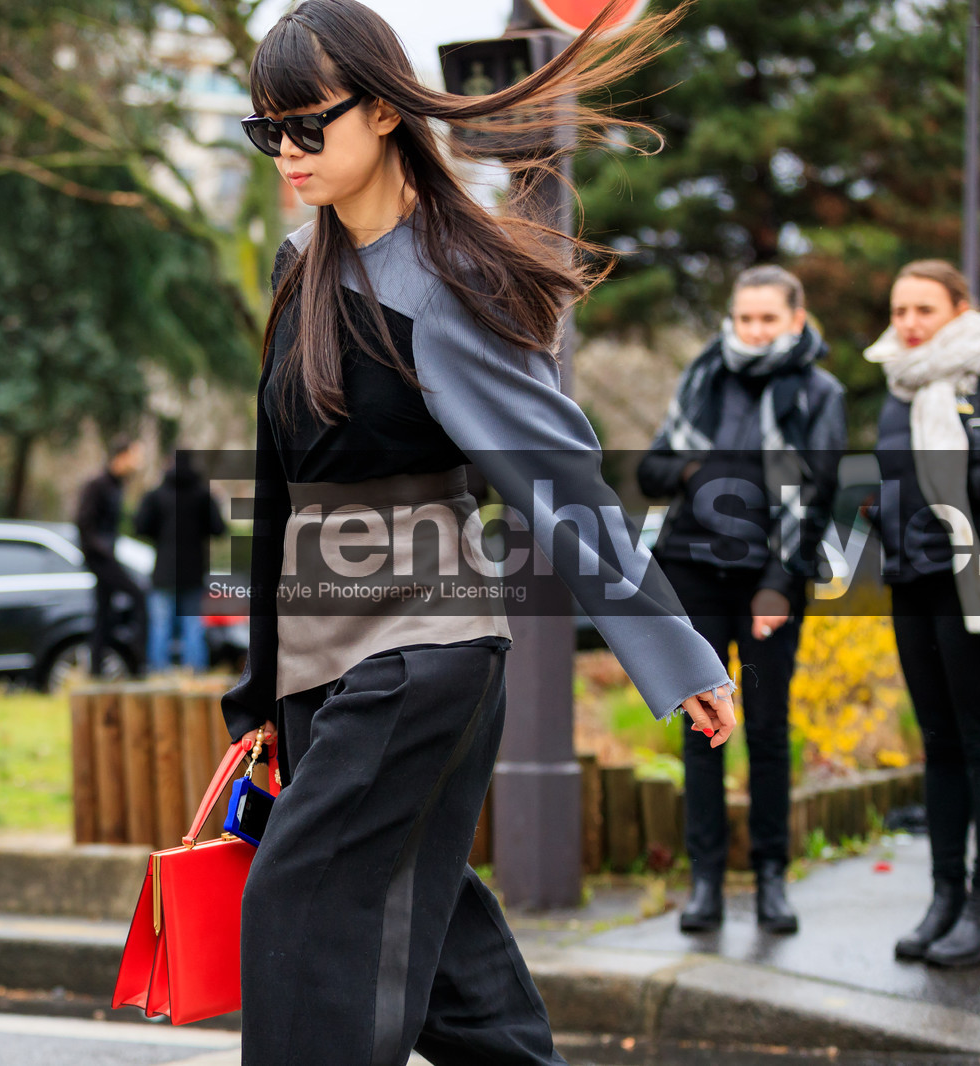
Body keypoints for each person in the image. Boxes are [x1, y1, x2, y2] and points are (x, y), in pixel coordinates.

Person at [221, 3, 737, 1063]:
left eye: (308, 125)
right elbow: (276, 483)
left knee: (299, 908)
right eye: (266, 130)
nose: (286, 152)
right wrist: (259, 689)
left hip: (423, 652)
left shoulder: (452, 280)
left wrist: (672, 646)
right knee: (438, 947)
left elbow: (560, 481)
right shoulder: (299, 260)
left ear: (384, 110)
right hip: (320, 662)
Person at [638, 266, 846, 935]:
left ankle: (771, 877)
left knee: (768, 729)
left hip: (768, 576)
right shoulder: (704, 377)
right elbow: (651, 469)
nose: (753, 331)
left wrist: (780, 585)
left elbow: (816, 494)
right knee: (702, 724)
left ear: (796, 319)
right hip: (691, 569)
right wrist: (697, 468)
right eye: (744, 318)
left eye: (767, 319)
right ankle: (705, 882)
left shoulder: (819, 393)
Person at [865, 260, 980, 968]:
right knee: (939, 744)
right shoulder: (900, 386)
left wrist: (957, 486)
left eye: (924, 308)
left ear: (960, 308)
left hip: (970, 583)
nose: (909, 323)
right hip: (911, 580)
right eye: (900, 310)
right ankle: (944, 899)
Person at [133, 449, 227, 673]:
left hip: (164, 572)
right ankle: (195, 672)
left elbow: (140, 526)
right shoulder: (202, 495)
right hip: (193, 572)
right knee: (193, 626)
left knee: (160, 625)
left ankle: (159, 673)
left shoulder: (157, 494)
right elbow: (219, 528)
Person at [74, 434, 147, 677]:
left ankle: (96, 668)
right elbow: (84, 523)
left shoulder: (117, 485)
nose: (138, 461)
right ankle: (138, 663)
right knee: (138, 595)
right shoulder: (98, 484)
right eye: (135, 455)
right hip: (100, 558)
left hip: (107, 555)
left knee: (104, 612)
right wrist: (102, 549)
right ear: (122, 456)